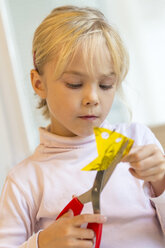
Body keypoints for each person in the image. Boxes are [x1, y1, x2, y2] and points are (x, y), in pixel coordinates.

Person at [0, 5, 165, 248]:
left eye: (106, 85)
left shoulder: (138, 140)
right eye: (75, 84)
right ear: (38, 84)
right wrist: (41, 243)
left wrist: (161, 182)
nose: (92, 98)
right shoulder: (24, 181)